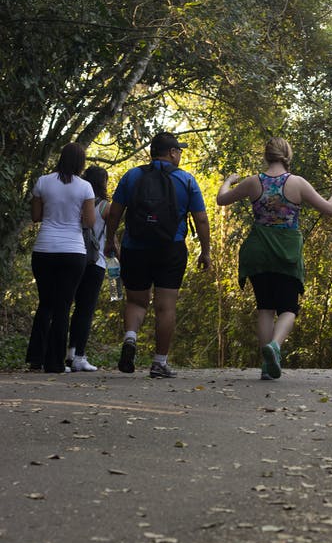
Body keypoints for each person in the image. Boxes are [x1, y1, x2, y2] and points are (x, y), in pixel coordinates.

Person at [217, 137, 332, 380]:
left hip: (258, 251)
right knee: (288, 307)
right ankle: (275, 346)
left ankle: (267, 367)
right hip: (286, 252)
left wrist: (228, 182)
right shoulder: (297, 183)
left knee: (265, 306)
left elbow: (221, 199)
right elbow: (329, 209)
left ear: (266, 156)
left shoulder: (253, 182)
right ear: (287, 155)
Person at [104, 131, 211, 378]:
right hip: (170, 249)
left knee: (136, 301)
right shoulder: (186, 180)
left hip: (135, 247)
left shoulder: (132, 176)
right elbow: (202, 220)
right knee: (165, 307)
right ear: (172, 153)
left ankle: (130, 338)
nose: (181, 155)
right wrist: (205, 251)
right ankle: (159, 362)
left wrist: (110, 241)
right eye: (179, 151)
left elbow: (114, 213)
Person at [26, 143, 95, 373]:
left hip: (44, 249)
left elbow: (36, 216)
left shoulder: (43, 182)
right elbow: (89, 222)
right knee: (63, 306)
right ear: (80, 162)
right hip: (73, 251)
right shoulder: (85, 187)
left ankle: (36, 358)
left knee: (45, 303)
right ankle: (55, 363)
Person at [66, 165, 118, 371]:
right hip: (96, 262)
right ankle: (80, 356)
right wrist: (120, 263)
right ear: (102, 183)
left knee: (68, 307)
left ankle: (69, 354)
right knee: (85, 310)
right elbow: (113, 239)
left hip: (74, 256)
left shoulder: (78, 202)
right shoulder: (106, 207)